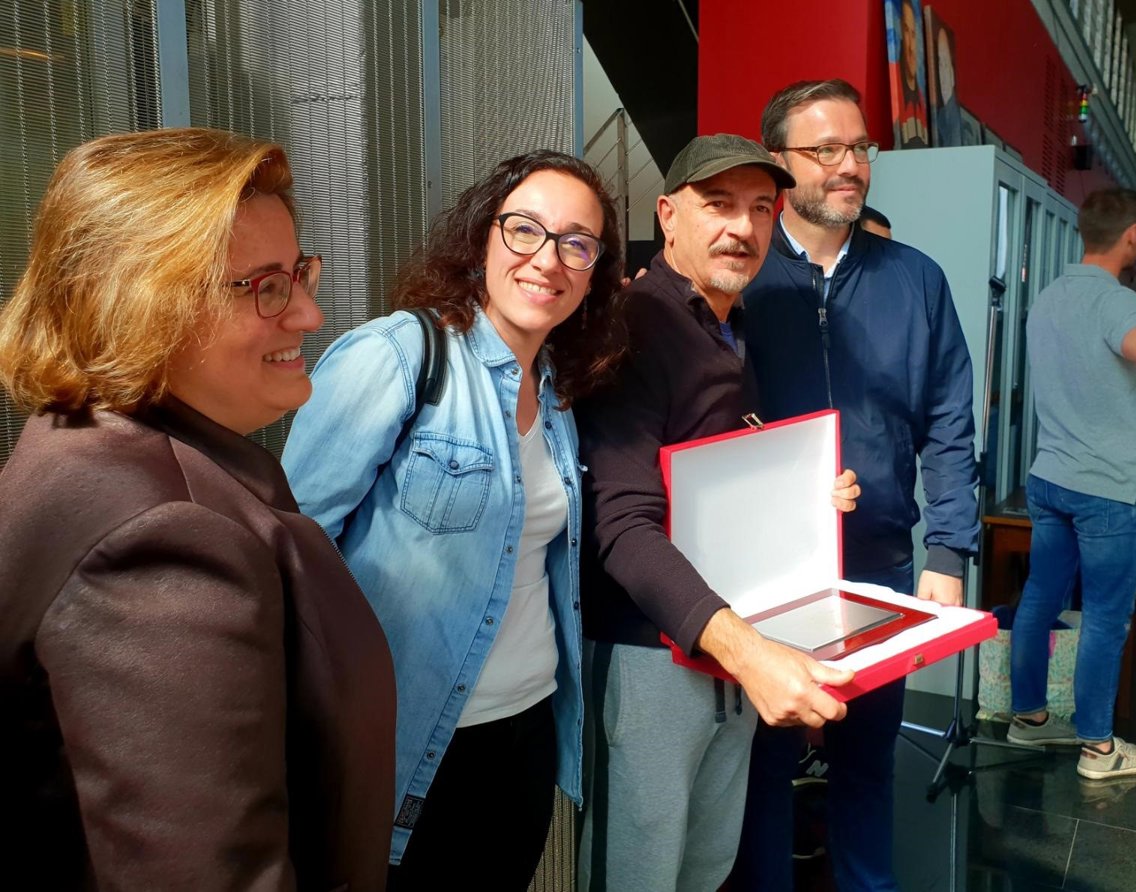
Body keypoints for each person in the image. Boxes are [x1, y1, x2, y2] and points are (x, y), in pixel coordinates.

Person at [0, 128, 396, 889]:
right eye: (266, 286)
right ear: (141, 304)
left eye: (300, 273)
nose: (308, 314)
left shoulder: (86, 440)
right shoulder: (164, 537)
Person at [282, 150, 625, 890]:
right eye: (525, 229)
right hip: (408, 739)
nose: (548, 260)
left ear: (594, 271)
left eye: (577, 244)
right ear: (482, 236)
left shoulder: (558, 391)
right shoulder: (400, 356)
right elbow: (290, 553)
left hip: (526, 728)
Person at [575, 133, 861, 892]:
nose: (743, 227)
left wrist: (800, 495)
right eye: (719, 205)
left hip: (727, 643)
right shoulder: (637, 323)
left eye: (761, 208)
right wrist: (747, 652)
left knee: (703, 869)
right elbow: (621, 521)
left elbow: (710, 474)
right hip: (649, 654)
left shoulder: (730, 323)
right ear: (668, 215)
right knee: (639, 876)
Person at [735, 78, 979, 891]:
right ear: (778, 162)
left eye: (861, 147)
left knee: (867, 763)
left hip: (880, 565)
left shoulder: (916, 280)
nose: (850, 166)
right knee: (762, 770)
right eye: (826, 149)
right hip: (766, 578)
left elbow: (949, 420)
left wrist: (948, 549)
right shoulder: (742, 278)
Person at [1008, 189, 1136, 779]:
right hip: (1107, 492)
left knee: (1040, 599)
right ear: (1134, 235)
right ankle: (1098, 747)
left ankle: (1028, 719)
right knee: (1105, 619)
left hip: (1050, 479)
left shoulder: (1050, 296)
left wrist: (1134, 314)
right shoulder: (1114, 302)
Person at [897, 0, 929, 147]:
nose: (911, 47)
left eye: (914, 34)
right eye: (906, 31)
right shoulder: (896, 94)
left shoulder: (922, 101)